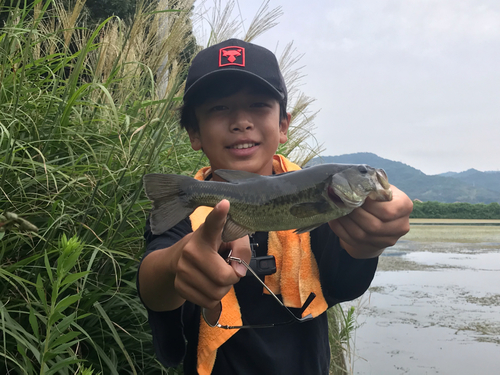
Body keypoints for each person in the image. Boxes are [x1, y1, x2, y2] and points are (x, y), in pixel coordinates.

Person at [137, 38, 413, 375]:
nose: (241, 121)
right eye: (219, 108)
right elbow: (153, 284)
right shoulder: (184, 207)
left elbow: (345, 282)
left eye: (258, 105)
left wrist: (367, 244)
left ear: (283, 125)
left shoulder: (326, 206)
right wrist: (174, 265)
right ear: (194, 133)